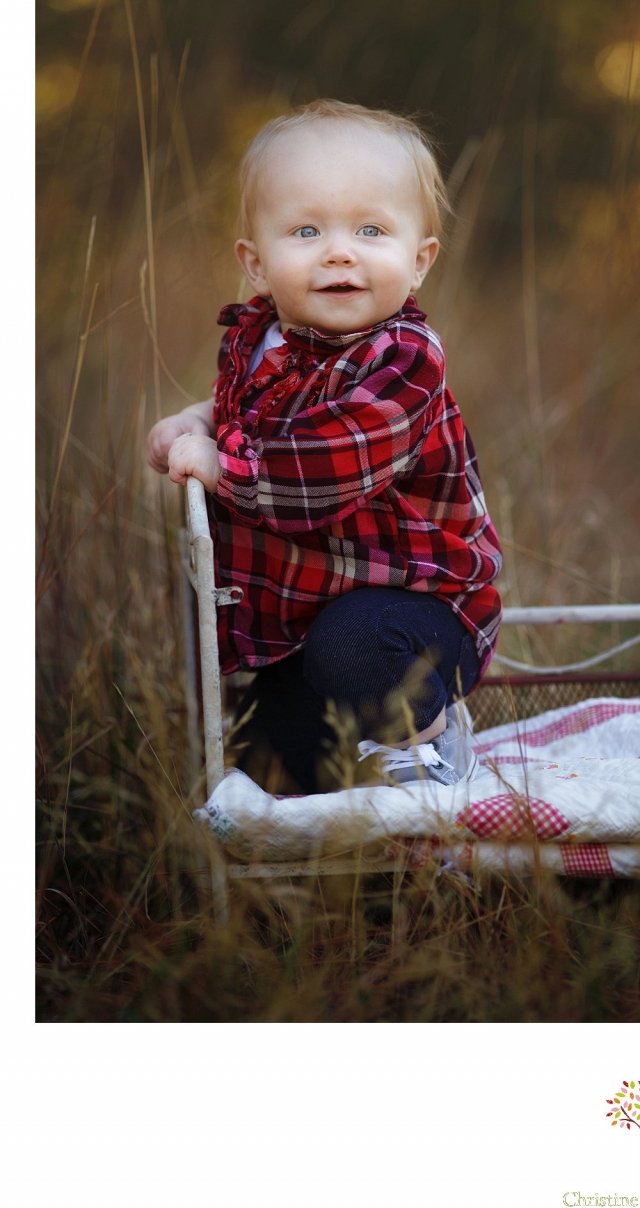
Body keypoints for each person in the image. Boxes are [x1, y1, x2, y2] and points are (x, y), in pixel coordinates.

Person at [147, 99, 502, 795]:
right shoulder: (260, 340)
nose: (339, 251)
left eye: (371, 229)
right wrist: (198, 419)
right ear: (256, 264)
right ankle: (351, 766)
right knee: (266, 766)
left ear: (420, 260)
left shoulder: (404, 359)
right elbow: (238, 412)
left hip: (415, 622)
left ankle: (429, 737)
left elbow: (319, 470)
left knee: (355, 645)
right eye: (306, 230)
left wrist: (220, 467)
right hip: (308, 630)